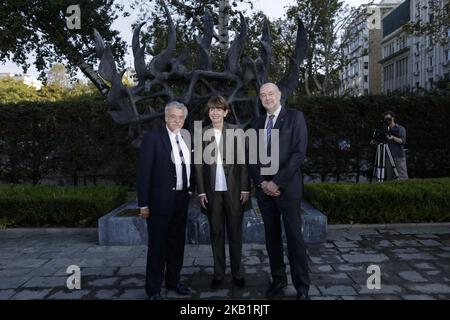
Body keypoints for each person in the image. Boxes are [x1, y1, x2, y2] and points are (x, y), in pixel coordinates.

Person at [249, 83, 310, 300]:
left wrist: (276, 182)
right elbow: (251, 157)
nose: (267, 98)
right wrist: (262, 183)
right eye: (263, 95)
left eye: (270, 93)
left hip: (287, 189)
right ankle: (278, 280)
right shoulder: (256, 123)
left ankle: (302, 287)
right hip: (264, 192)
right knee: (271, 238)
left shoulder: (295, 117)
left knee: (294, 237)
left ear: (279, 95)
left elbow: (298, 154)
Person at [137, 101, 194, 300]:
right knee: (157, 247)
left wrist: (190, 191)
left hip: (181, 200)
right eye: (173, 117)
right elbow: (144, 173)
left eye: (180, 117)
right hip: (159, 202)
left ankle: (173, 281)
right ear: (166, 118)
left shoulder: (187, 138)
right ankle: (153, 289)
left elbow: (191, 168)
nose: (177, 121)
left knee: (177, 245)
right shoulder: (153, 138)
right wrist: (143, 204)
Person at [195, 96, 250, 290]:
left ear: (226, 112)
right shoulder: (201, 133)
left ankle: (237, 273)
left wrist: (245, 188)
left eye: (219, 109)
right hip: (212, 192)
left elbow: (244, 163)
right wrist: (201, 193)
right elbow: (199, 166)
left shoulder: (236, 131)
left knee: (235, 233)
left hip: (235, 191)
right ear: (208, 112)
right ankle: (218, 274)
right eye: (212, 109)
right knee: (216, 233)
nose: (215, 112)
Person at [383, 111, 409, 180]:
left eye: (389, 118)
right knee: (390, 178)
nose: (387, 121)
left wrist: (393, 137)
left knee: (402, 177)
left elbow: (402, 141)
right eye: (386, 119)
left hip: (398, 156)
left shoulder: (400, 128)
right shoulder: (384, 130)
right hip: (388, 157)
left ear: (393, 118)